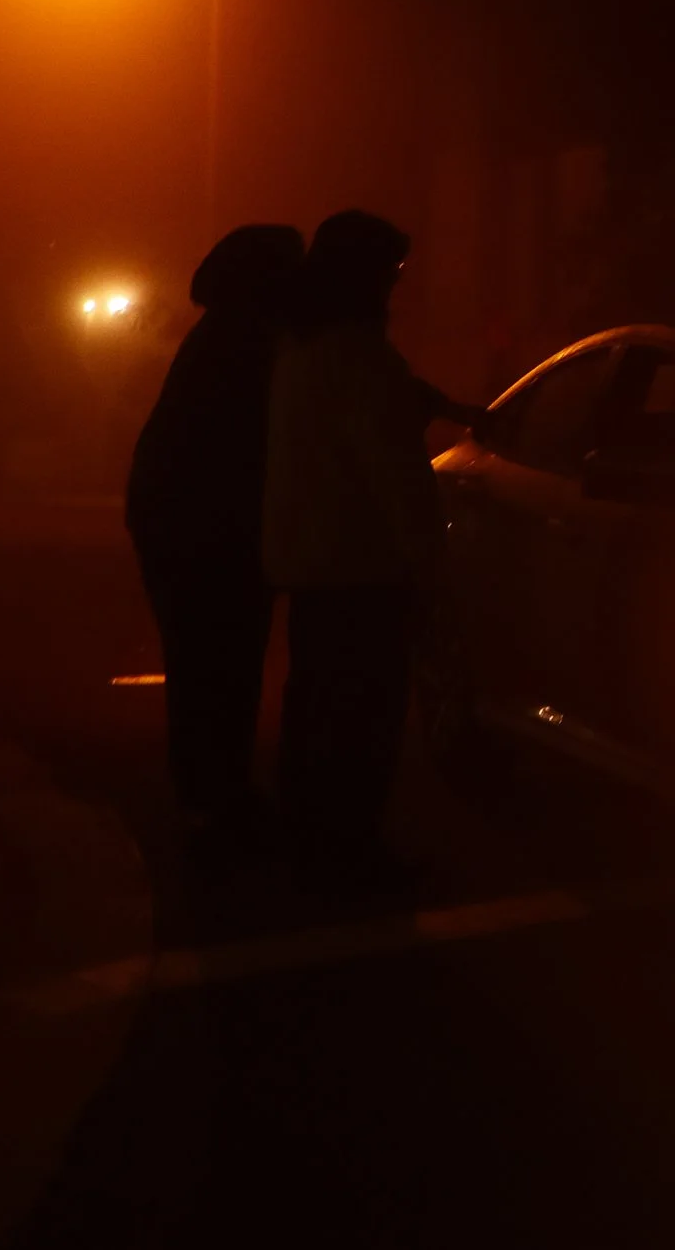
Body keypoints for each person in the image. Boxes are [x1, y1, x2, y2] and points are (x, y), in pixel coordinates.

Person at [263, 210, 485, 891]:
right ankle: (351, 859)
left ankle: (307, 848)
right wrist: (430, 575)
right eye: (391, 273)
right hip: (363, 570)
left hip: (311, 563)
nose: (396, 287)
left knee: (315, 712)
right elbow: (398, 478)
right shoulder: (361, 357)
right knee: (364, 723)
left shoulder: (303, 348)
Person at [125, 224, 308, 846]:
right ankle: (215, 801)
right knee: (219, 664)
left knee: (205, 664)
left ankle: (211, 795)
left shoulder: (225, 337)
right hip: (206, 531)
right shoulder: (247, 345)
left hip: (186, 525)